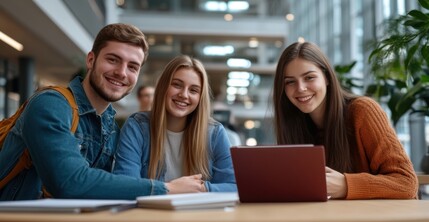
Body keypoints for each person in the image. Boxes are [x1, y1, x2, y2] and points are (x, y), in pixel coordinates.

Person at [0, 23, 194, 200]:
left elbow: (109, 187)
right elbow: (70, 182)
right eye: (113, 60)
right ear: (91, 60)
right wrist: (167, 189)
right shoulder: (50, 105)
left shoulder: (111, 127)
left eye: (132, 67)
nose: (121, 72)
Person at [272, 41, 418, 199]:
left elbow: (407, 183)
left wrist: (346, 185)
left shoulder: (363, 111)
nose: (300, 88)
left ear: (327, 77)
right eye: (290, 82)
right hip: (334, 219)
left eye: (309, 77)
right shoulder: (294, 126)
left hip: (382, 220)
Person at [113, 55, 237, 192]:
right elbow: (125, 185)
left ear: (200, 98)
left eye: (193, 90)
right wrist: (170, 188)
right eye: (177, 85)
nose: (184, 95)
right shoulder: (137, 127)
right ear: (163, 87)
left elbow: (234, 186)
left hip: (200, 213)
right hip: (150, 213)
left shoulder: (214, 133)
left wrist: (199, 188)